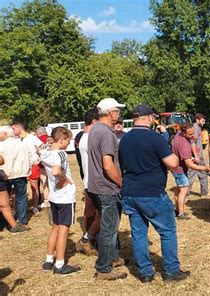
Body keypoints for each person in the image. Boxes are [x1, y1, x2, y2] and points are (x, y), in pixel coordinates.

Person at [119, 104, 191, 283]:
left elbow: (122, 165)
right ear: (150, 118)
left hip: (130, 193)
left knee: (139, 234)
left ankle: (145, 273)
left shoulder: (124, 140)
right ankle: (172, 271)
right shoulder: (155, 138)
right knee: (167, 231)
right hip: (152, 193)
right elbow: (173, 163)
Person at [88, 97, 127, 280]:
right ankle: (103, 268)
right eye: (117, 111)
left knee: (108, 225)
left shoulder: (95, 129)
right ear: (112, 113)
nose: (118, 114)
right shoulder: (106, 133)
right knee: (109, 228)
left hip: (97, 186)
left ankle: (112, 257)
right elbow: (108, 165)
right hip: (107, 188)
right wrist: (121, 183)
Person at [40, 127, 81, 275]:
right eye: (67, 141)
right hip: (65, 197)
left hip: (54, 197)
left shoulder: (47, 152)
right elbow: (56, 171)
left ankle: (48, 260)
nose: (68, 144)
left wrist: (47, 143)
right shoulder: (61, 154)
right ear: (62, 140)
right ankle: (60, 264)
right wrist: (65, 179)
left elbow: (40, 150)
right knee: (64, 230)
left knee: (55, 228)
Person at [171, 123, 210, 220]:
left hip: (175, 166)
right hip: (179, 169)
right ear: (183, 132)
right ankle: (181, 214)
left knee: (178, 189)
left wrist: (196, 155)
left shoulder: (179, 134)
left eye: (192, 133)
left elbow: (192, 141)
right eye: (190, 134)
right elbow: (189, 164)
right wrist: (205, 168)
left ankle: (177, 209)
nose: (192, 136)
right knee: (183, 190)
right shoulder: (183, 145)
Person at [76, 108, 101, 256]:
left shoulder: (82, 137)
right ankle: (87, 239)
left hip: (88, 180)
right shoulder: (90, 137)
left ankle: (90, 240)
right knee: (102, 214)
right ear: (94, 121)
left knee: (91, 213)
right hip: (94, 182)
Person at [0, 126, 30, 233]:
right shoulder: (21, 143)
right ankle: (21, 220)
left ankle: (3, 222)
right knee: (21, 197)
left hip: (6, 174)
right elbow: (28, 157)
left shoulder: (1, 144)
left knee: (5, 200)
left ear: (5, 133)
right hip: (20, 173)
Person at [11, 121, 44, 215]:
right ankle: (15, 208)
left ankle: (34, 207)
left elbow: (43, 147)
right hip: (19, 167)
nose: (12, 131)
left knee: (34, 186)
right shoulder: (15, 139)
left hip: (32, 165)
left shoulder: (32, 138)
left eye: (13, 129)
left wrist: (40, 159)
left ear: (19, 128)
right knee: (17, 187)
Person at [188, 113, 209, 197]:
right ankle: (185, 193)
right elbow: (192, 143)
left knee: (203, 173)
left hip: (199, 156)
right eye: (202, 121)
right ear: (197, 120)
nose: (204, 123)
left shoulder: (199, 128)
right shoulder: (194, 128)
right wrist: (195, 156)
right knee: (191, 175)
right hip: (196, 157)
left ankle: (204, 193)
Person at [36, 127, 50, 209]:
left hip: (42, 165)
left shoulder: (38, 140)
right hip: (51, 164)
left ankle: (46, 200)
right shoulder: (50, 138)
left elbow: (37, 152)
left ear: (38, 133)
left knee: (44, 183)